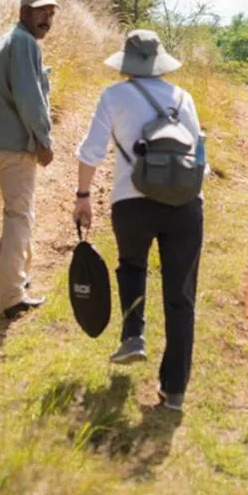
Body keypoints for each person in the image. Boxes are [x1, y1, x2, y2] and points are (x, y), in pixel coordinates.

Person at [73, 30, 205, 413]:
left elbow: (91, 151)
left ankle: (134, 335)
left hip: (132, 203)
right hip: (185, 204)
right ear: (160, 62)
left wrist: (83, 196)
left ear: (127, 63)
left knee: (132, 265)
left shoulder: (113, 96)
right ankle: (174, 391)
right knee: (181, 296)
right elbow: (201, 159)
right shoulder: (183, 98)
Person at [0, 0, 58, 319]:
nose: (47, 18)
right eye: (40, 11)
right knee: (18, 217)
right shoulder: (24, 43)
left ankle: (19, 278)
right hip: (12, 147)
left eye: (51, 13)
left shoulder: (6, 40)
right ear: (23, 12)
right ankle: (12, 297)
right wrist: (43, 140)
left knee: (19, 213)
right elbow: (29, 97)